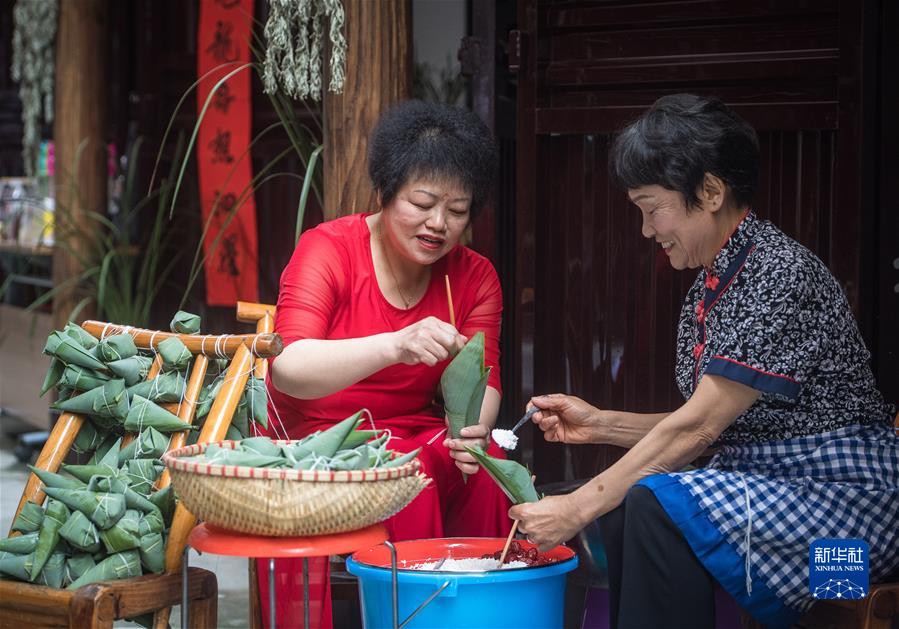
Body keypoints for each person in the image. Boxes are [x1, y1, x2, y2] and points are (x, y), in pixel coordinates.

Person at [510, 94, 899, 629]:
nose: (648, 230)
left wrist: (578, 506)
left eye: (652, 208)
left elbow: (697, 430)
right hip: (780, 508)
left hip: (849, 528)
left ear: (711, 192)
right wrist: (598, 425)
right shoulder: (715, 282)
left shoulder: (778, 272)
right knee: (636, 503)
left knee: (654, 502)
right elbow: (717, 432)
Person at [262, 100, 512, 629]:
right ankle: (407, 618)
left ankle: (476, 618)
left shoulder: (475, 276)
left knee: (485, 470)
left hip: (409, 430)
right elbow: (288, 367)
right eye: (421, 202)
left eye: (459, 210)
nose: (438, 224)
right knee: (406, 470)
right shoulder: (327, 249)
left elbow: (484, 376)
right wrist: (396, 344)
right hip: (316, 433)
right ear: (385, 192)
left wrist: (474, 433)